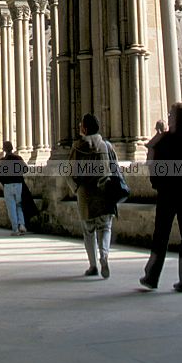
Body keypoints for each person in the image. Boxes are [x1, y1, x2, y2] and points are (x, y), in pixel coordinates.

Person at [139, 101, 182, 292]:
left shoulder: (166, 140)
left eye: (170, 114)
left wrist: (157, 184)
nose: (168, 117)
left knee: (161, 236)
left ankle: (152, 276)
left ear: (174, 118)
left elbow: (153, 164)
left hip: (168, 193)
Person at [66, 114, 112, 278]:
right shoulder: (104, 146)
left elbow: (70, 172)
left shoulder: (77, 146)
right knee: (105, 227)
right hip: (102, 190)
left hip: (85, 193)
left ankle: (93, 265)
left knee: (88, 231)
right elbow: (108, 169)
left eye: (81, 126)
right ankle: (104, 255)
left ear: (85, 128)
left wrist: (76, 189)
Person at [0, 141, 29, 236]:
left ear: (4, 149)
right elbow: (25, 169)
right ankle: (22, 224)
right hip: (18, 184)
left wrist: (4, 183)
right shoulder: (18, 158)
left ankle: (15, 229)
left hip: (8, 185)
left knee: (11, 207)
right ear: (12, 148)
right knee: (19, 205)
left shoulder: (2, 161)